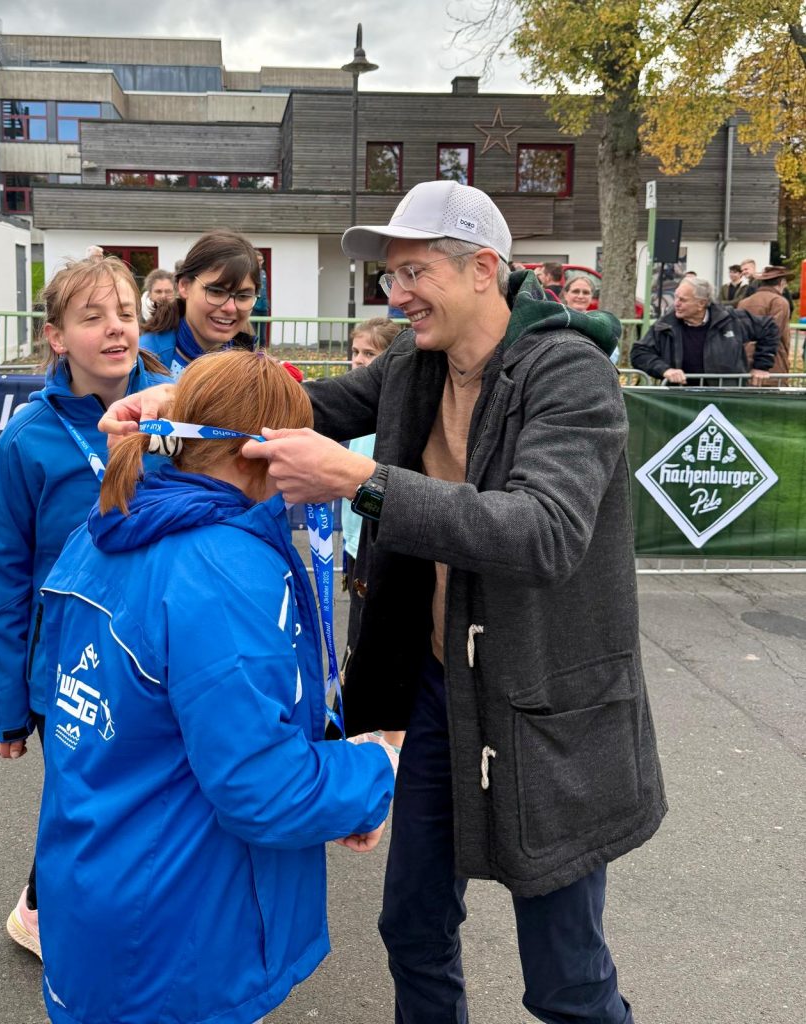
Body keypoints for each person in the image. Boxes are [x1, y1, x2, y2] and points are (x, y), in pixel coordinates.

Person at [104, 180, 668, 1024]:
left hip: (547, 713)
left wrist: (364, 484)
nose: (393, 295)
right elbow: (311, 408)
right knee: (411, 927)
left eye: (412, 272)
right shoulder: (414, 365)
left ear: (483, 268)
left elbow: (544, 532)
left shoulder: (571, 376)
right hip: (443, 696)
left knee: (567, 978)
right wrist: (179, 402)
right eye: (391, 276)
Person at [36, 349, 395, 1024]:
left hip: (90, 875)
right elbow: (264, 790)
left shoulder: (110, 522)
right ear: (268, 451)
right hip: (180, 922)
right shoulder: (223, 568)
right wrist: (374, 771)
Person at [0, 256, 171, 961]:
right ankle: (45, 915)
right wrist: (9, 704)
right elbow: (1, 576)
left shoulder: (181, 411)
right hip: (72, 672)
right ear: (57, 337)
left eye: (125, 312)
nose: (115, 328)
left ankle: (141, 928)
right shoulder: (30, 437)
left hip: (162, 658)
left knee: (155, 800)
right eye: (92, 318)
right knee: (82, 809)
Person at [340, 317, 403, 753]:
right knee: (354, 638)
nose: (359, 361)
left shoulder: (396, 413)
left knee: (390, 645)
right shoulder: (349, 407)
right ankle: (356, 728)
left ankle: (396, 743)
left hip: (388, 542)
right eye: (356, 352)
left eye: (370, 355)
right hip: (351, 541)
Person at [140, 229, 260, 378]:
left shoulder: (249, 361)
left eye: (243, 296)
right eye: (216, 291)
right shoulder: (143, 363)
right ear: (184, 286)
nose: (230, 308)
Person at [631, 275, 779, 385]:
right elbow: (639, 353)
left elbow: (769, 327)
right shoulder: (665, 325)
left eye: (683, 300)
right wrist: (665, 370)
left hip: (727, 398)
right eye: (676, 298)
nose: (676, 304)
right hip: (680, 401)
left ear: (701, 303)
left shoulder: (730, 319)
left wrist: (761, 366)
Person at [738, 265, 791, 376]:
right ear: (781, 282)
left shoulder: (744, 302)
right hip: (771, 364)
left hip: (743, 360)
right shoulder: (779, 302)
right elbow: (774, 333)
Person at [253, 249, 269, 346]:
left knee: (262, 336)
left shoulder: (263, 272)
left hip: (264, 308)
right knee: (252, 335)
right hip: (253, 307)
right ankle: (251, 357)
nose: (260, 262)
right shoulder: (249, 272)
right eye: (258, 260)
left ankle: (262, 357)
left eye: (261, 260)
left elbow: (265, 289)